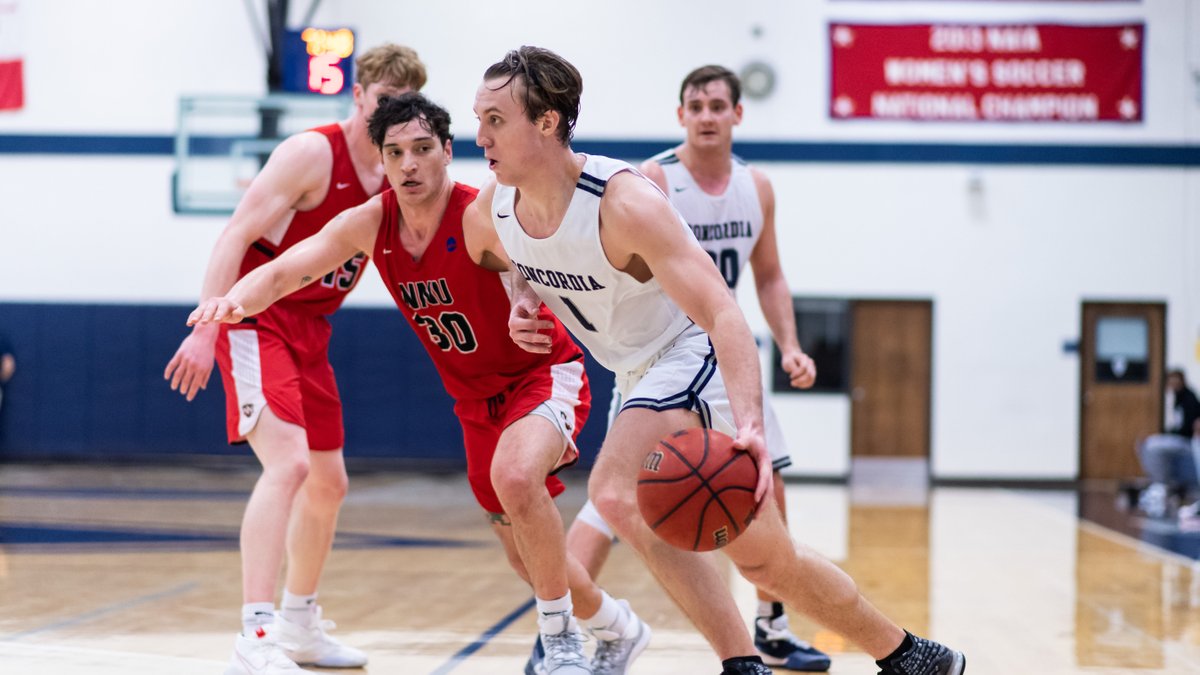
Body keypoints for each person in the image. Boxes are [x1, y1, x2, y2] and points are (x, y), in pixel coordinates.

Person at [464, 46, 967, 675]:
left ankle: (741, 664)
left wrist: (752, 424)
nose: (478, 134)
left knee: (615, 492)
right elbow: (509, 263)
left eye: (494, 119)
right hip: (634, 375)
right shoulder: (493, 210)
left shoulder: (623, 203)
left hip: (689, 352)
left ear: (546, 121)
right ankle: (909, 653)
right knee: (766, 560)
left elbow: (725, 313)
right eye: (478, 118)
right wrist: (522, 300)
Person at [186, 92, 650, 675]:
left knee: (515, 476)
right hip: (475, 405)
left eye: (423, 149)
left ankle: (559, 645)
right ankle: (618, 626)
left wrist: (521, 305)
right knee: (528, 556)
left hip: (542, 375)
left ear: (447, 152)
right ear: (380, 160)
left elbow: (521, 273)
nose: (409, 164)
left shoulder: (479, 211)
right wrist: (231, 301)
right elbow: (287, 268)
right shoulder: (371, 221)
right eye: (395, 152)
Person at [163, 44, 427, 674]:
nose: (390, 111)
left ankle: (300, 623)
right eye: (382, 98)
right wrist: (205, 327)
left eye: (403, 102)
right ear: (358, 96)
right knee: (288, 467)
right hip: (255, 318)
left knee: (330, 484)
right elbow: (236, 233)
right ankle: (254, 637)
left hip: (313, 330)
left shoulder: (399, 172)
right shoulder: (312, 154)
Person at [562, 64, 830, 672]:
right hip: (660, 353)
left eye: (717, 105)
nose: (706, 115)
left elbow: (769, 275)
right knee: (610, 498)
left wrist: (788, 345)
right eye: (695, 106)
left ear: (738, 114)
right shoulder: (655, 179)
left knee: (768, 483)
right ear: (680, 115)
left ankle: (772, 626)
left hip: (725, 353)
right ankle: (560, 628)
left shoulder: (756, 187)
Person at [1138, 369, 1200, 518]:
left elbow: (1187, 428)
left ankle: (1161, 487)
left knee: (1154, 445)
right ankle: (1159, 486)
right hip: (1180, 439)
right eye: (1171, 381)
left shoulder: (1189, 399)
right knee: (1147, 444)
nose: (1173, 384)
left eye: (1176, 380)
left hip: (1188, 441)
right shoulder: (1174, 399)